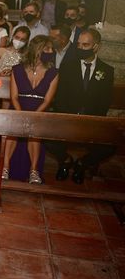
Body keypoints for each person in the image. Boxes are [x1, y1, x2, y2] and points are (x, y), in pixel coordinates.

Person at [48, 29, 115, 184]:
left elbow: (105, 100)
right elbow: (60, 96)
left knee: (111, 145)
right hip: (68, 117)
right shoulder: (68, 66)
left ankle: (82, 164)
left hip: (92, 121)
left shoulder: (106, 71)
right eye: (78, 44)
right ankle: (65, 160)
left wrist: (91, 120)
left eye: (85, 45)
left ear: (96, 47)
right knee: (45, 135)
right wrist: (69, 117)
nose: (80, 48)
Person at [2, 36, 59, 184]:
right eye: (47, 48)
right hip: (19, 108)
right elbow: (13, 96)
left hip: (39, 110)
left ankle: (34, 171)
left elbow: (48, 100)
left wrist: (34, 115)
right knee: (12, 132)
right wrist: (22, 114)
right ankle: (5, 167)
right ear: (36, 49)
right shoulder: (17, 69)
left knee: (35, 134)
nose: (50, 51)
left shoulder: (53, 72)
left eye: (51, 49)